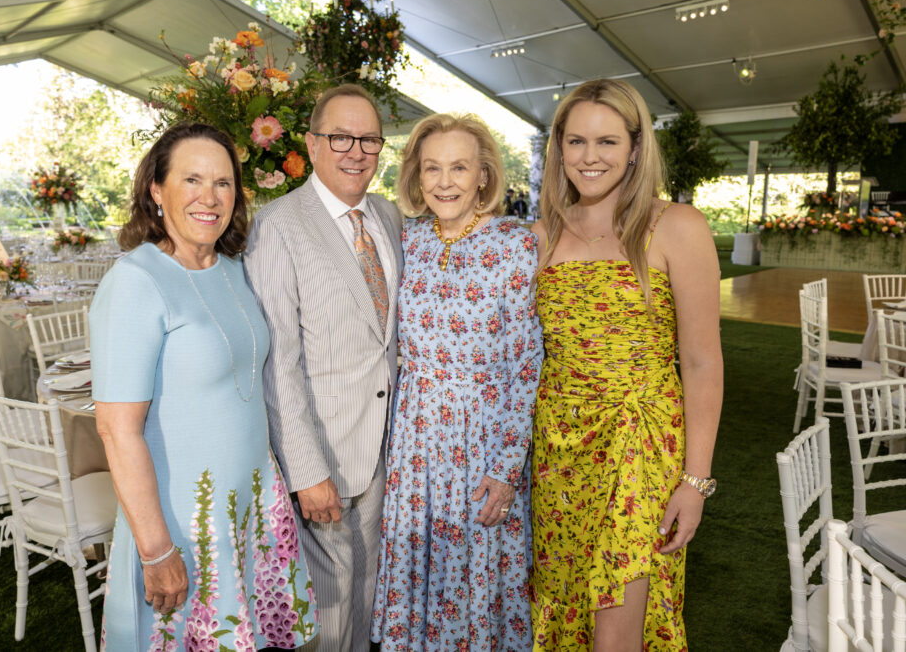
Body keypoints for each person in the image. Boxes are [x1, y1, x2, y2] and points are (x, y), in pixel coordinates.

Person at [91, 122, 316, 650]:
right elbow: (116, 430)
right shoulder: (135, 281)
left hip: (249, 513)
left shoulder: (234, 268)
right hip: (184, 526)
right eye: (191, 180)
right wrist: (156, 550)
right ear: (155, 189)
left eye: (223, 183)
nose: (209, 198)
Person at [529, 79, 722, 650]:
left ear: (636, 148)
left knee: (620, 619)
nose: (591, 158)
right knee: (560, 605)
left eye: (608, 142)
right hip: (558, 449)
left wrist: (695, 481)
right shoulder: (538, 237)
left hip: (639, 442)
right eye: (577, 141)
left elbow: (702, 362)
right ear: (558, 149)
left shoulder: (677, 227)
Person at [371, 113, 543, 650]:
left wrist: (506, 468)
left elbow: (525, 365)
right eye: (432, 168)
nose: (445, 181)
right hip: (416, 443)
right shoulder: (408, 241)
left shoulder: (515, 246)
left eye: (459, 167)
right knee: (418, 579)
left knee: (477, 583)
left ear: (484, 176)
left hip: (483, 443)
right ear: (416, 177)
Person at [244, 83, 403, 652]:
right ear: (312, 144)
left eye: (368, 139)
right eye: (340, 137)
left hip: (388, 450)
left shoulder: (388, 216)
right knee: (329, 607)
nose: (356, 151)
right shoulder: (277, 225)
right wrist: (307, 471)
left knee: (368, 596)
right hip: (324, 457)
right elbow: (276, 362)